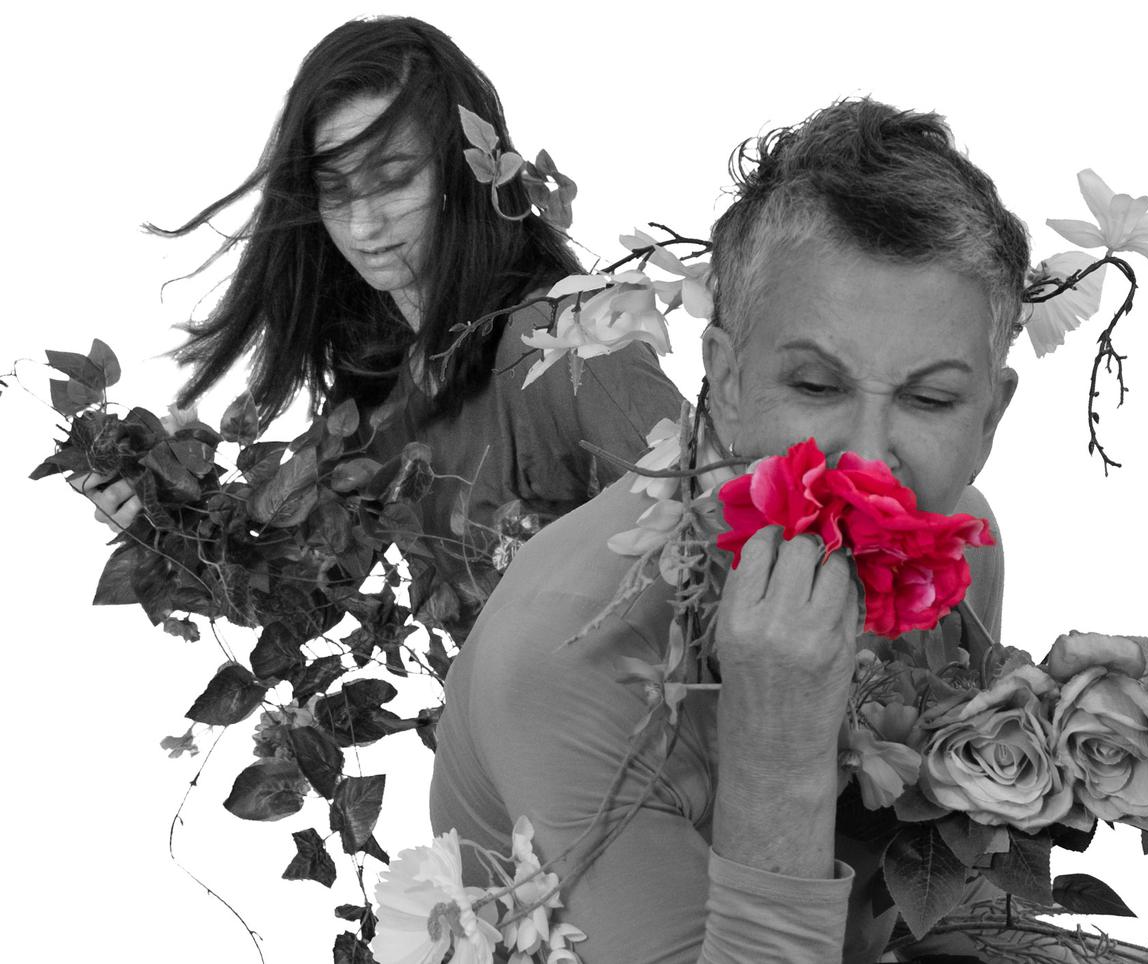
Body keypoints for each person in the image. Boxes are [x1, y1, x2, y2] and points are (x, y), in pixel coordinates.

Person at [430, 99, 1026, 962]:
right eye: (816, 386)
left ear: (989, 418)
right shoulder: (568, 658)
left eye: (930, 399)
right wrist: (780, 745)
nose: (867, 458)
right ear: (729, 379)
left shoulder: (959, 548)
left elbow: (960, 916)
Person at [69, 16, 684, 609]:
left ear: (463, 172)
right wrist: (156, 513)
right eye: (334, 189)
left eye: (393, 179)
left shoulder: (573, 341)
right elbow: (293, 585)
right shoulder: (382, 396)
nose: (363, 226)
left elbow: (715, 541)